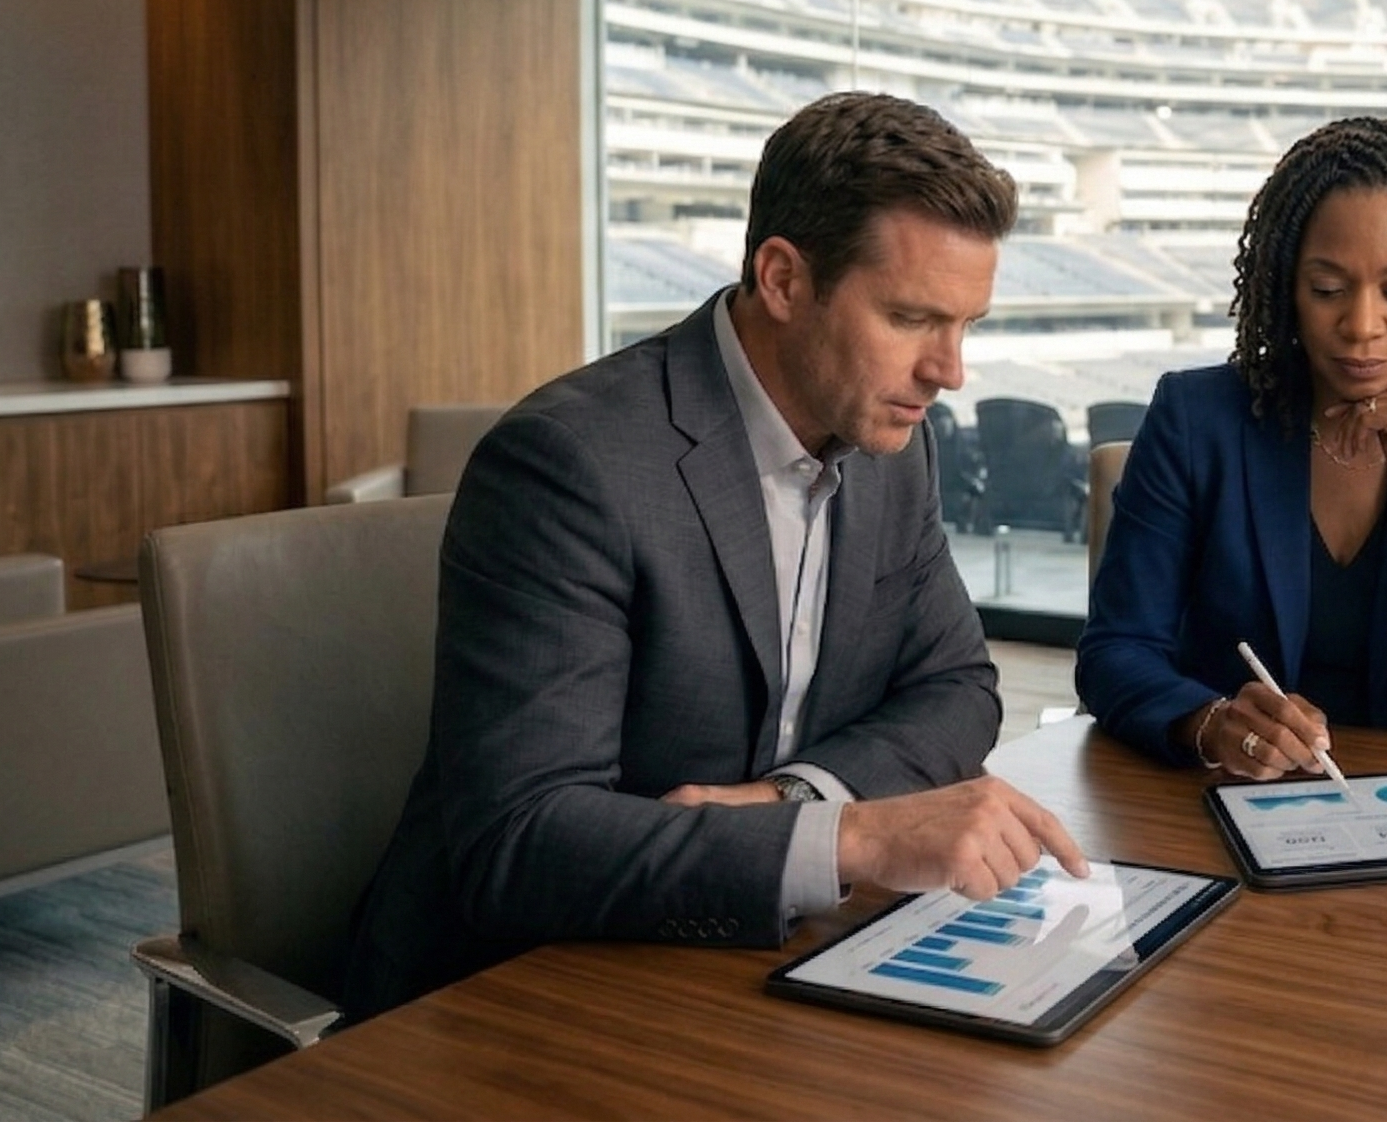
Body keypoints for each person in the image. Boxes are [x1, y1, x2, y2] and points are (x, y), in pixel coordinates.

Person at [342, 92, 1085, 1017]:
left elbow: (957, 687)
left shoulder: (897, 439)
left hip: (747, 963)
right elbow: (520, 843)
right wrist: (846, 839)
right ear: (782, 280)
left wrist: (790, 806)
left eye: (967, 325)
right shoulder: (570, 465)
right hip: (515, 991)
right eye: (909, 318)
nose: (949, 371)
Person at [1078, 117, 1387, 776]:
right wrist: (1211, 723)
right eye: (1327, 289)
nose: (1360, 325)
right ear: (1288, 282)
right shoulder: (1194, 420)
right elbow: (1116, 653)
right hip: (1219, 798)